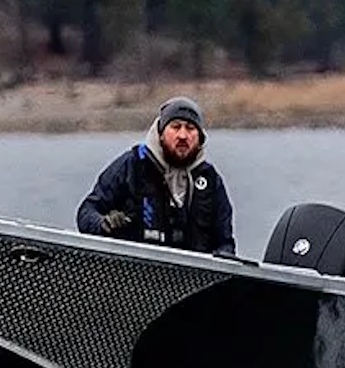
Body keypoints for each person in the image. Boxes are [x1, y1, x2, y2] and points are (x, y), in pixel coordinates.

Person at [76, 95, 235, 255]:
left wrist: (223, 254)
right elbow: (86, 212)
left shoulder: (210, 180)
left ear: (200, 137)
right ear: (160, 133)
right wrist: (104, 224)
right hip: (135, 265)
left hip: (194, 270)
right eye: (175, 127)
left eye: (190, 128)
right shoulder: (132, 166)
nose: (182, 135)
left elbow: (225, 243)